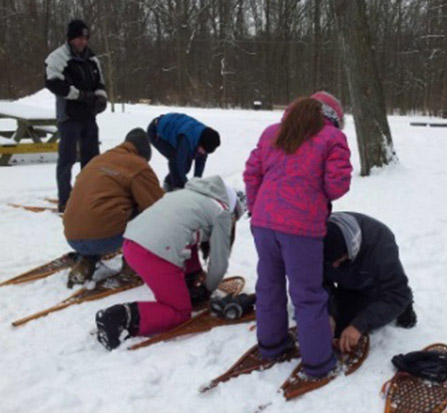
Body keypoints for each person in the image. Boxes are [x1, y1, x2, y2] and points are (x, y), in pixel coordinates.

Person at [243, 91, 352, 378]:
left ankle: (272, 345)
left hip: (264, 224)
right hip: (301, 227)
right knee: (307, 295)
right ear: (333, 119)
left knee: (269, 286)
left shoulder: (271, 133)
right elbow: (336, 186)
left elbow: (251, 174)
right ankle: (318, 362)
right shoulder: (331, 138)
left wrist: (257, 211)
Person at [94, 175, 243, 350]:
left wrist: (193, 276)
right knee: (179, 312)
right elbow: (219, 263)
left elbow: (187, 235)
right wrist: (207, 289)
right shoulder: (222, 212)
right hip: (154, 254)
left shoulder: (185, 194)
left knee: (186, 240)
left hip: (131, 245)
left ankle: (188, 283)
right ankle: (119, 317)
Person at [63, 128, 163, 287]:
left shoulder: (98, 160)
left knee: (103, 213)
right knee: (146, 214)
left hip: (72, 236)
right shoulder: (138, 165)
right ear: (143, 153)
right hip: (105, 238)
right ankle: (132, 266)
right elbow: (158, 207)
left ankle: (86, 261)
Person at [323, 212, 416, 353]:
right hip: (348, 283)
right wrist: (328, 311)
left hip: (374, 284)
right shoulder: (318, 241)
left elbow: (398, 294)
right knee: (339, 330)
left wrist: (359, 325)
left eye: (338, 259)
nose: (334, 265)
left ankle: (403, 308)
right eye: (331, 262)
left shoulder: (381, 245)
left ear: (351, 247)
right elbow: (317, 282)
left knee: (358, 325)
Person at [45, 19, 108, 213]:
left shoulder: (92, 59)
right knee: (67, 159)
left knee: (92, 160)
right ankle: (65, 199)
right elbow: (52, 83)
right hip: (69, 116)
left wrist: (101, 98)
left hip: (89, 116)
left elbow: (100, 83)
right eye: (79, 38)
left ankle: (87, 196)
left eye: (85, 38)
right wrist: (79, 95)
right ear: (70, 38)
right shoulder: (58, 57)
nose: (82, 42)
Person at [147, 113, 221, 191]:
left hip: (177, 131)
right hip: (156, 131)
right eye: (203, 150)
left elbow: (200, 164)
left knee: (185, 166)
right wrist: (184, 186)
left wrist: (197, 183)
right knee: (175, 160)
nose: (203, 153)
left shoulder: (205, 139)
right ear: (200, 143)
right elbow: (179, 163)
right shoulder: (186, 139)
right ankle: (174, 188)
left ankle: (169, 183)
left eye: (205, 152)